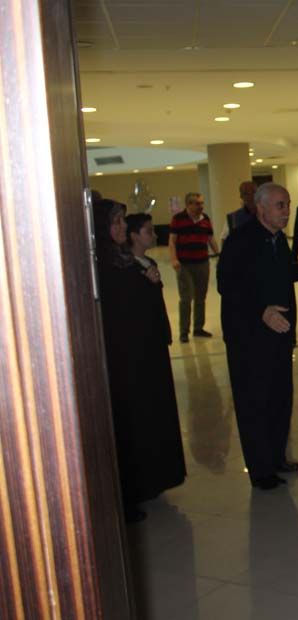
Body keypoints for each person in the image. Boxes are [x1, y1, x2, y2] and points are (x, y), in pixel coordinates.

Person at [94, 203, 186, 522]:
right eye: (116, 222)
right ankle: (129, 492)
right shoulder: (104, 266)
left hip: (145, 353)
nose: (121, 227)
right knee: (130, 422)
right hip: (125, 359)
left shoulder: (123, 261)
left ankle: (151, 480)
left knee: (149, 416)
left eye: (122, 221)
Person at [217, 183, 298, 490]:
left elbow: (284, 275)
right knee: (255, 402)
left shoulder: (278, 240)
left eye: (288, 204)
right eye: (280, 205)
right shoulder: (240, 240)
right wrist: (261, 310)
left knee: (280, 398)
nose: (286, 211)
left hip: (279, 336)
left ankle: (277, 457)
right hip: (249, 339)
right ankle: (260, 469)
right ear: (261, 208)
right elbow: (227, 284)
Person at [168, 192, 219, 343]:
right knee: (186, 298)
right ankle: (184, 331)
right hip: (184, 264)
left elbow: (210, 238)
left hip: (202, 263)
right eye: (197, 203)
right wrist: (174, 259)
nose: (201, 206)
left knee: (200, 297)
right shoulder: (178, 219)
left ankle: (198, 328)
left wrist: (218, 254)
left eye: (202, 203)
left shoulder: (205, 219)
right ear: (188, 204)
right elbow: (172, 241)